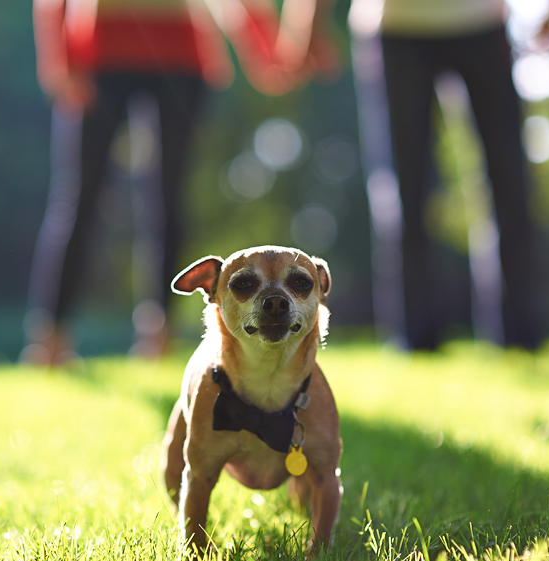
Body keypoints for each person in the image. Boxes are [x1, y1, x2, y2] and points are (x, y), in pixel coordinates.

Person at [23, 0, 333, 363]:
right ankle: (51, 337)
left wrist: (265, 50)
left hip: (181, 56)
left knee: (168, 200)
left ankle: (159, 334)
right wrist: (59, 58)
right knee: (80, 197)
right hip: (101, 54)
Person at [350, 0, 545, 351]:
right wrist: (306, 23)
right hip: (395, 25)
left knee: (509, 181)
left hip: (481, 20)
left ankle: (519, 334)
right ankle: (416, 336)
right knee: (404, 190)